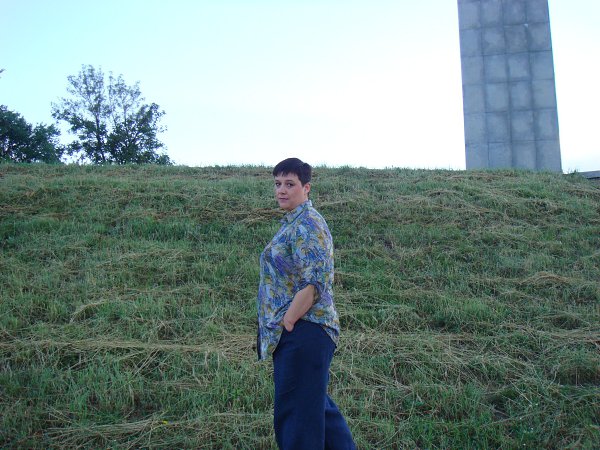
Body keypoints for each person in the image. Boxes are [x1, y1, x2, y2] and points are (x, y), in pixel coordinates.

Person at [257, 158, 355, 449]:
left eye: (290, 184)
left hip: (303, 329)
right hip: (303, 332)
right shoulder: (293, 223)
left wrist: (287, 321)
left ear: (306, 187)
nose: (281, 190)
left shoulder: (308, 223)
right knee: (318, 414)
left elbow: (315, 283)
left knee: (297, 422)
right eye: (278, 184)